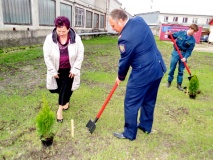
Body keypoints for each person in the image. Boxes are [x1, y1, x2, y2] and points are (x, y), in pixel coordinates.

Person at [108, 9, 167, 140]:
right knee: (149, 100)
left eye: (113, 25)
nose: (113, 28)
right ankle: (146, 126)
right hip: (157, 68)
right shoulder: (139, 20)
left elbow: (125, 61)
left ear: (121, 20)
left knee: (131, 102)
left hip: (143, 73)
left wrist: (120, 76)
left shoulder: (125, 38)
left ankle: (129, 133)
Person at [43, 16, 84, 123]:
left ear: (69, 28)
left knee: (66, 87)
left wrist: (75, 69)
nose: (61, 33)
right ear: (55, 28)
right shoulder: (49, 39)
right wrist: (52, 71)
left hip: (70, 70)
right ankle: (65, 101)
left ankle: (59, 110)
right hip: (57, 69)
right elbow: (46, 56)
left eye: (64, 31)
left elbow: (80, 54)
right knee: (58, 89)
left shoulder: (76, 38)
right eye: (59, 30)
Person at [165, 24, 199, 91]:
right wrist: (169, 34)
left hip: (183, 54)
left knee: (181, 70)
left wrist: (185, 57)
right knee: (172, 68)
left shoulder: (192, 40)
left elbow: (189, 51)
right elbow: (172, 36)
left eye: (195, 32)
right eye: (194, 31)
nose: (194, 33)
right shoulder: (181, 33)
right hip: (176, 52)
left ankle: (179, 84)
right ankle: (169, 82)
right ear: (190, 28)